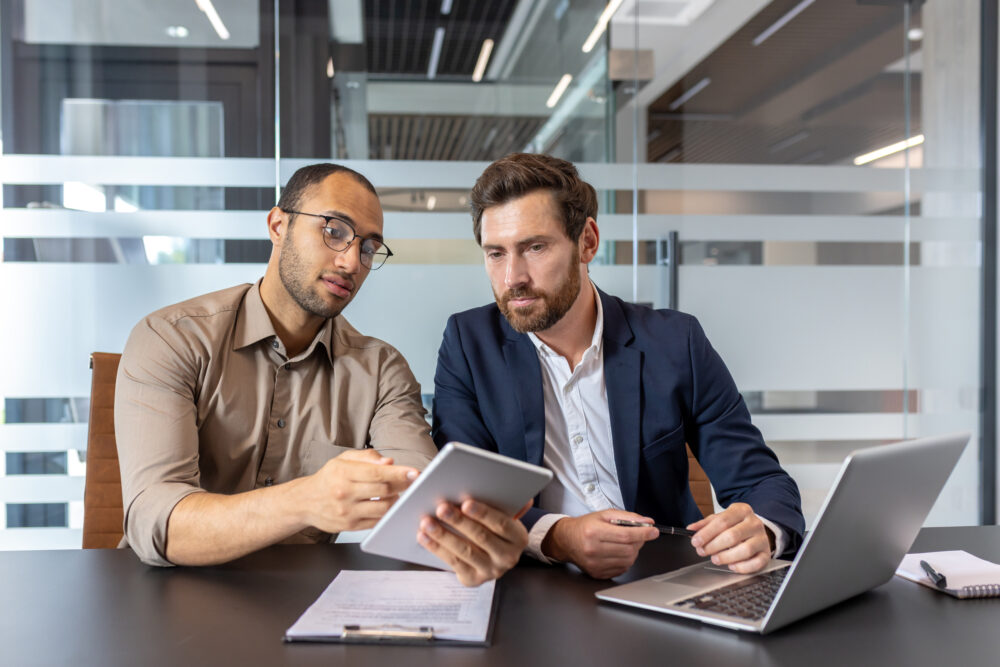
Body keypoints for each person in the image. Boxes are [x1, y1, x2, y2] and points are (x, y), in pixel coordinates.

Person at [116, 163, 528, 584]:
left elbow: (417, 497)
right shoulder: (173, 338)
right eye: (334, 230)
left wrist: (473, 534)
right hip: (170, 600)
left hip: (302, 600)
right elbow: (155, 521)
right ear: (278, 225)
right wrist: (307, 499)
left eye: (368, 248)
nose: (351, 262)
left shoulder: (382, 371)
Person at [431, 153, 805, 579]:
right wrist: (559, 537)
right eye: (496, 254)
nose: (513, 276)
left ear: (587, 241)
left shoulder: (674, 342)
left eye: (535, 247)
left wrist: (765, 530)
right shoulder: (468, 342)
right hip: (531, 582)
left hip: (663, 577)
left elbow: (761, 481)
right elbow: (464, 498)